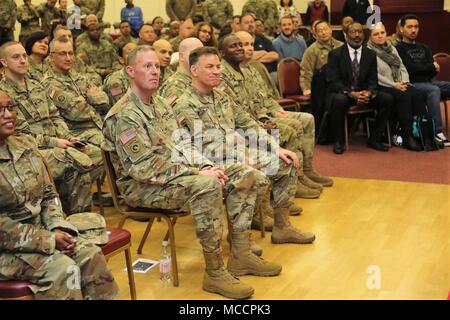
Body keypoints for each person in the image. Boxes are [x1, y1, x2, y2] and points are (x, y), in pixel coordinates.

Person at [102, 45, 264, 299]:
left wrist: (205, 166)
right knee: (207, 187)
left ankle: (241, 253)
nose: (155, 71)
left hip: (172, 175)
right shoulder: (125, 115)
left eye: (157, 66)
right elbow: (143, 168)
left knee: (244, 173)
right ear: (130, 71)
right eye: (147, 66)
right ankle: (215, 272)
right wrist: (198, 175)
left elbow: (184, 144)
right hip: (143, 187)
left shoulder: (161, 105)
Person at [173, 46, 316, 244]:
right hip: (210, 166)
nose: (216, 71)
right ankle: (241, 241)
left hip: (237, 155)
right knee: (249, 175)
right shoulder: (185, 104)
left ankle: (282, 227)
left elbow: (249, 123)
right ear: (194, 70)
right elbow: (204, 145)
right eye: (209, 67)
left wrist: (276, 148)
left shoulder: (222, 97)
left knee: (285, 162)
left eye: (217, 66)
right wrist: (240, 156)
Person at [0, 89, 119, 300]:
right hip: (7, 248)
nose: (8, 114)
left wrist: (56, 225)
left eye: (10, 107)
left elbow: (48, 194)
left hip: (44, 233)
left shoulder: (24, 145)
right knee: (63, 268)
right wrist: (48, 239)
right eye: (0, 110)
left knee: (89, 254)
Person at [0, 41, 102, 214]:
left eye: (24, 56)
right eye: (16, 57)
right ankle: (67, 216)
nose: (23, 60)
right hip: (28, 152)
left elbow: (55, 116)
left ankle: (74, 216)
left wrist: (68, 138)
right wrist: (56, 142)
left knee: (98, 154)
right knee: (75, 163)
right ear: (4, 62)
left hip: (59, 144)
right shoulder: (3, 94)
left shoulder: (36, 86)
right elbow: (19, 135)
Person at [326, 22, 393, 154]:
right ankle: (339, 140)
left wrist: (369, 92)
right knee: (339, 101)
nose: (357, 35)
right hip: (344, 93)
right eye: (353, 32)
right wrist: (351, 93)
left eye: (360, 32)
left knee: (388, 99)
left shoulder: (370, 54)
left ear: (364, 34)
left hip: (363, 93)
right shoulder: (335, 54)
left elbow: (373, 80)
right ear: (346, 35)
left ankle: (374, 138)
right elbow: (332, 81)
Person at [367, 23, 427, 151]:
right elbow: (374, 75)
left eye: (382, 33)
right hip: (381, 85)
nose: (380, 36)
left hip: (399, 83)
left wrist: (404, 82)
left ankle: (421, 133)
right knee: (404, 96)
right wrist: (394, 85)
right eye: (376, 34)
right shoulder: (368, 51)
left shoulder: (391, 48)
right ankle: (407, 136)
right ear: (370, 37)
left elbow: (402, 67)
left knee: (415, 93)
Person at [396, 14, 450, 146]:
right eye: (409, 27)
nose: (413, 30)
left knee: (442, 86)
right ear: (401, 29)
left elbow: (434, 70)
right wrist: (429, 67)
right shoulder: (398, 49)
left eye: (416, 27)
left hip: (429, 82)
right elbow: (410, 69)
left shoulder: (424, 47)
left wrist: (427, 68)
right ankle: (436, 132)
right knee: (434, 90)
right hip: (413, 85)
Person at [44, 37, 108, 146]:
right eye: (63, 54)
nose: (68, 58)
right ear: (51, 57)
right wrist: (90, 97)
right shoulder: (50, 84)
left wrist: (84, 99)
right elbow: (76, 113)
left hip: (100, 126)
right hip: (79, 133)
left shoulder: (79, 77)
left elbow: (105, 102)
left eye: (70, 53)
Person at [300, 21, 343, 133]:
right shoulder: (311, 50)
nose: (323, 33)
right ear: (315, 34)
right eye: (320, 31)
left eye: (325, 29)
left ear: (330, 29)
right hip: (322, 86)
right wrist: (306, 88)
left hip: (341, 83)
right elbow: (306, 72)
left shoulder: (341, 46)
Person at [240, 14, 279, 78]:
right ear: (241, 26)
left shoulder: (262, 39)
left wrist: (252, 59)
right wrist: (264, 52)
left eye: (252, 22)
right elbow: (242, 59)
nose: (250, 24)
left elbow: (275, 55)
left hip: (269, 73)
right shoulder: (238, 40)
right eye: (247, 23)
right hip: (248, 75)